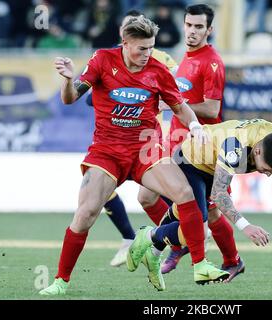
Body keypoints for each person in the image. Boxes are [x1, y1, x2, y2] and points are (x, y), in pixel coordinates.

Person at [39, 15, 228, 296]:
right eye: (142, 49)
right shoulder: (102, 59)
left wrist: (195, 125)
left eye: (151, 48)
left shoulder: (158, 71)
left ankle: (200, 264)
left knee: (185, 194)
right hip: (107, 153)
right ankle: (61, 281)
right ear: (125, 43)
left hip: (145, 151)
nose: (147, 54)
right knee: (86, 214)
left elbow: (179, 106)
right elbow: (69, 98)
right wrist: (67, 80)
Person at [128, 118, 272, 281]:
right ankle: (149, 236)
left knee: (196, 225)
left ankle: (154, 249)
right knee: (197, 234)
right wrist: (246, 226)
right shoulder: (235, 145)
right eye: (266, 169)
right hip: (190, 160)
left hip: (215, 166)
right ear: (257, 151)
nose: (268, 174)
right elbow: (219, 193)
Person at [132, 3, 242, 278]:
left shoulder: (211, 62)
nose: (192, 31)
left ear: (209, 30)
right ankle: (178, 242)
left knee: (212, 213)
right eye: (189, 25)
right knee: (147, 196)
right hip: (178, 144)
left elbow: (213, 109)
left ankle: (231, 260)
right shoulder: (186, 56)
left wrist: (173, 105)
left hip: (203, 149)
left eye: (199, 27)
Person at [84, 9, 178, 269]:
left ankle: (179, 236)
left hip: (148, 139)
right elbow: (88, 97)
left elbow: (180, 95)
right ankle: (136, 237)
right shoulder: (108, 58)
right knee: (103, 193)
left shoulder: (161, 60)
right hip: (113, 137)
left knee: (160, 195)